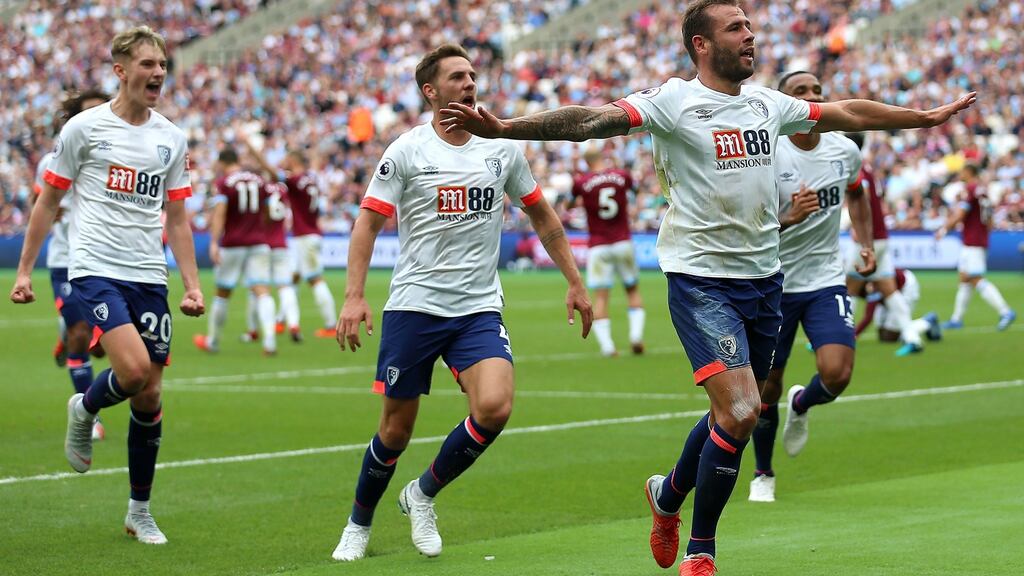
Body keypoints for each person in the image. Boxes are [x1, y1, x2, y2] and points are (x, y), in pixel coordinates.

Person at [439, 1, 975, 572]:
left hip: (765, 279)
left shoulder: (769, 104)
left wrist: (921, 118)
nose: (751, 36)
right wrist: (507, 128)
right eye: (736, 28)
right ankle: (702, 551)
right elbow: (592, 120)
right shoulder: (674, 101)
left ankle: (667, 495)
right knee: (743, 409)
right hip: (700, 279)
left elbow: (845, 112)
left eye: (749, 26)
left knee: (734, 410)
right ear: (701, 44)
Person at [330, 44, 592, 563]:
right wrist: (354, 296)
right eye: (457, 77)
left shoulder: (503, 149)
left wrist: (575, 282)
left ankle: (421, 494)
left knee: (494, 407)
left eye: (472, 75)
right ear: (431, 91)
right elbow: (368, 221)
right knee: (395, 430)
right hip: (415, 306)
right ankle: (358, 524)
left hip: (477, 309)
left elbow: (542, 216)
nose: (470, 83)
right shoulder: (407, 150)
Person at [10, 26, 204, 545]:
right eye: (147, 64)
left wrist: (190, 284)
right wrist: (26, 271)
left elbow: (178, 217)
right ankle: (86, 406)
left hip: (148, 273)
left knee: (150, 395)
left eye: (162, 64)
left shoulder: (170, 135)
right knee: (135, 370)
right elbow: (48, 203)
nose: (158, 73)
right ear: (121, 71)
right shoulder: (83, 130)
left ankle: (139, 511)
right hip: (94, 268)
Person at [747, 71, 875, 504]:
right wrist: (789, 218)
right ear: (785, 105)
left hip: (825, 279)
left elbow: (857, 194)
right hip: (772, 283)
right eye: (800, 91)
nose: (812, 97)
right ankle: (763, 473)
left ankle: (803, 405)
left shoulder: (844, 149)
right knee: (766, 388)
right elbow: (747, 226)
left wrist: (865, 243)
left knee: (837, 374)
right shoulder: (766, 154)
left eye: (817, 90)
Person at [32, 89, 111, 441]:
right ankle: (87, 415)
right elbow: (44, 203)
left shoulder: (120, 157)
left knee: (105, 343)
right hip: (67, 260)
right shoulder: (52, 161)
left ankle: (65, 334)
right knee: (83, 332)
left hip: (108, 259)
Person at [247, 141, 338, 339]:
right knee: (291, 280)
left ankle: (331, 325)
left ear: (294, 160)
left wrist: (252, 148)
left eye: (287, 158)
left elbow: (270, 171)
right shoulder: (311, 179)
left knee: (315, 279)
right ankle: (281, 320)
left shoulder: (295, 180)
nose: (283, 161)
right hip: (309, 234)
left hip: (304, 236)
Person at [844, 134, 924, 356]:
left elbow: (864, 198)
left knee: (849, 287)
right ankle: (912, 336)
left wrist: (859, 231)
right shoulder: (865, 166)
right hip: (880, 237)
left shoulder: (856, 166)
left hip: (868, 239)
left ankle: (841, 338)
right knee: (888, 289)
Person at [192, 148, 278, 355]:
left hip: (233, 243)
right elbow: (268, 211)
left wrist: (214, 241)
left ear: (223, 162)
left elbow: (220, 213)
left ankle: (212, 341)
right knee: (262, 290)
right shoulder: (259, 180)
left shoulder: (224, 183)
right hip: (258, 242)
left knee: (222, 293)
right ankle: (270, 341)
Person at [572, 147, 646, 357]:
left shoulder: (582, 183)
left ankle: (607, 347)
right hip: (623, 240)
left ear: (586, 163)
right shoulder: (622, 176)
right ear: (604, 159)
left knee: (601, 297)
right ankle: (636, 337)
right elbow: (635, 191)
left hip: (598, 244)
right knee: (632, 290)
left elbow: (570, 202)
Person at [936, 164, 1016, 330]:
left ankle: (1005, 311)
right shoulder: (982, 189)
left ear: (969, 172)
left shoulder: (970, 188)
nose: (960, 174)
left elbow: (961, 214)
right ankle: (956, 319)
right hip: (976, 239)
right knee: (964, 279)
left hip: (973, 241)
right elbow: (989, 217)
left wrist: (944, 229)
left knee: (975, 278)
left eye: (963, 171)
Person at [853, 268, 942, 343]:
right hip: (886, 294)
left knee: (889, 337)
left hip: (905, 288)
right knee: (882, 335)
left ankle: (928, 321)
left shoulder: (872, 283)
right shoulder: (855, 281)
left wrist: (853, 336)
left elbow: (868, 317)